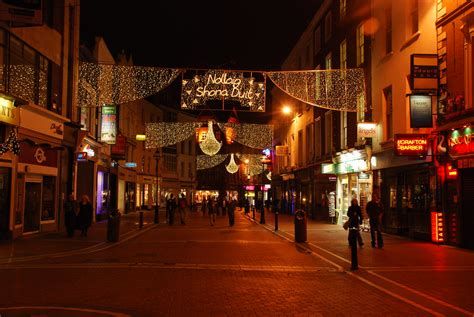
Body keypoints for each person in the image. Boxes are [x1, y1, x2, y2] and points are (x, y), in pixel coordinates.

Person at [347, 198, 363, 271]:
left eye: (355, 201)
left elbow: (360, 214)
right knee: (351, 232)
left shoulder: (358, 208)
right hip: (351, 222)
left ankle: (360, 242)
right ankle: (351, 241)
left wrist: (361, 221)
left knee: (356, 232)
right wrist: (352, 214)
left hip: (356, 222)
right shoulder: (350, 208)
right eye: (353, 202)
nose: (354, 203)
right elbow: (348, 214)